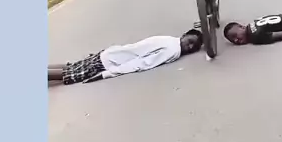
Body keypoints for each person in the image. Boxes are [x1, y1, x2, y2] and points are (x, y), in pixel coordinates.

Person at [48, 30, 203, 85]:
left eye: (193, 47)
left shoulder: (167, 38)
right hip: (109, 63)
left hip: (110, 53)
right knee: (68, 75)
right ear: (184, 35)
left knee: (70, 67)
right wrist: (106, 74)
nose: (189, 47)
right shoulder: (174, 50)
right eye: (190, 42)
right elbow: (141, 63)